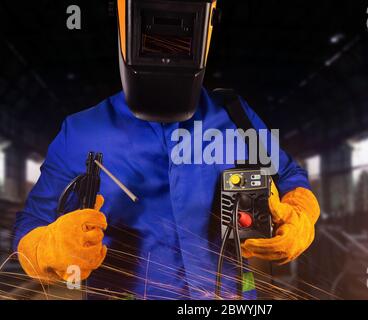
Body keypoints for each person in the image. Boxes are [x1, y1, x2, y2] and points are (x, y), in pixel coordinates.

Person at [13, 0, 320, 300]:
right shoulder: (81, 132)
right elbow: (31, 224)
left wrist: (300, 217)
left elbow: (289, 174)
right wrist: (46, 248)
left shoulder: (236, 117)